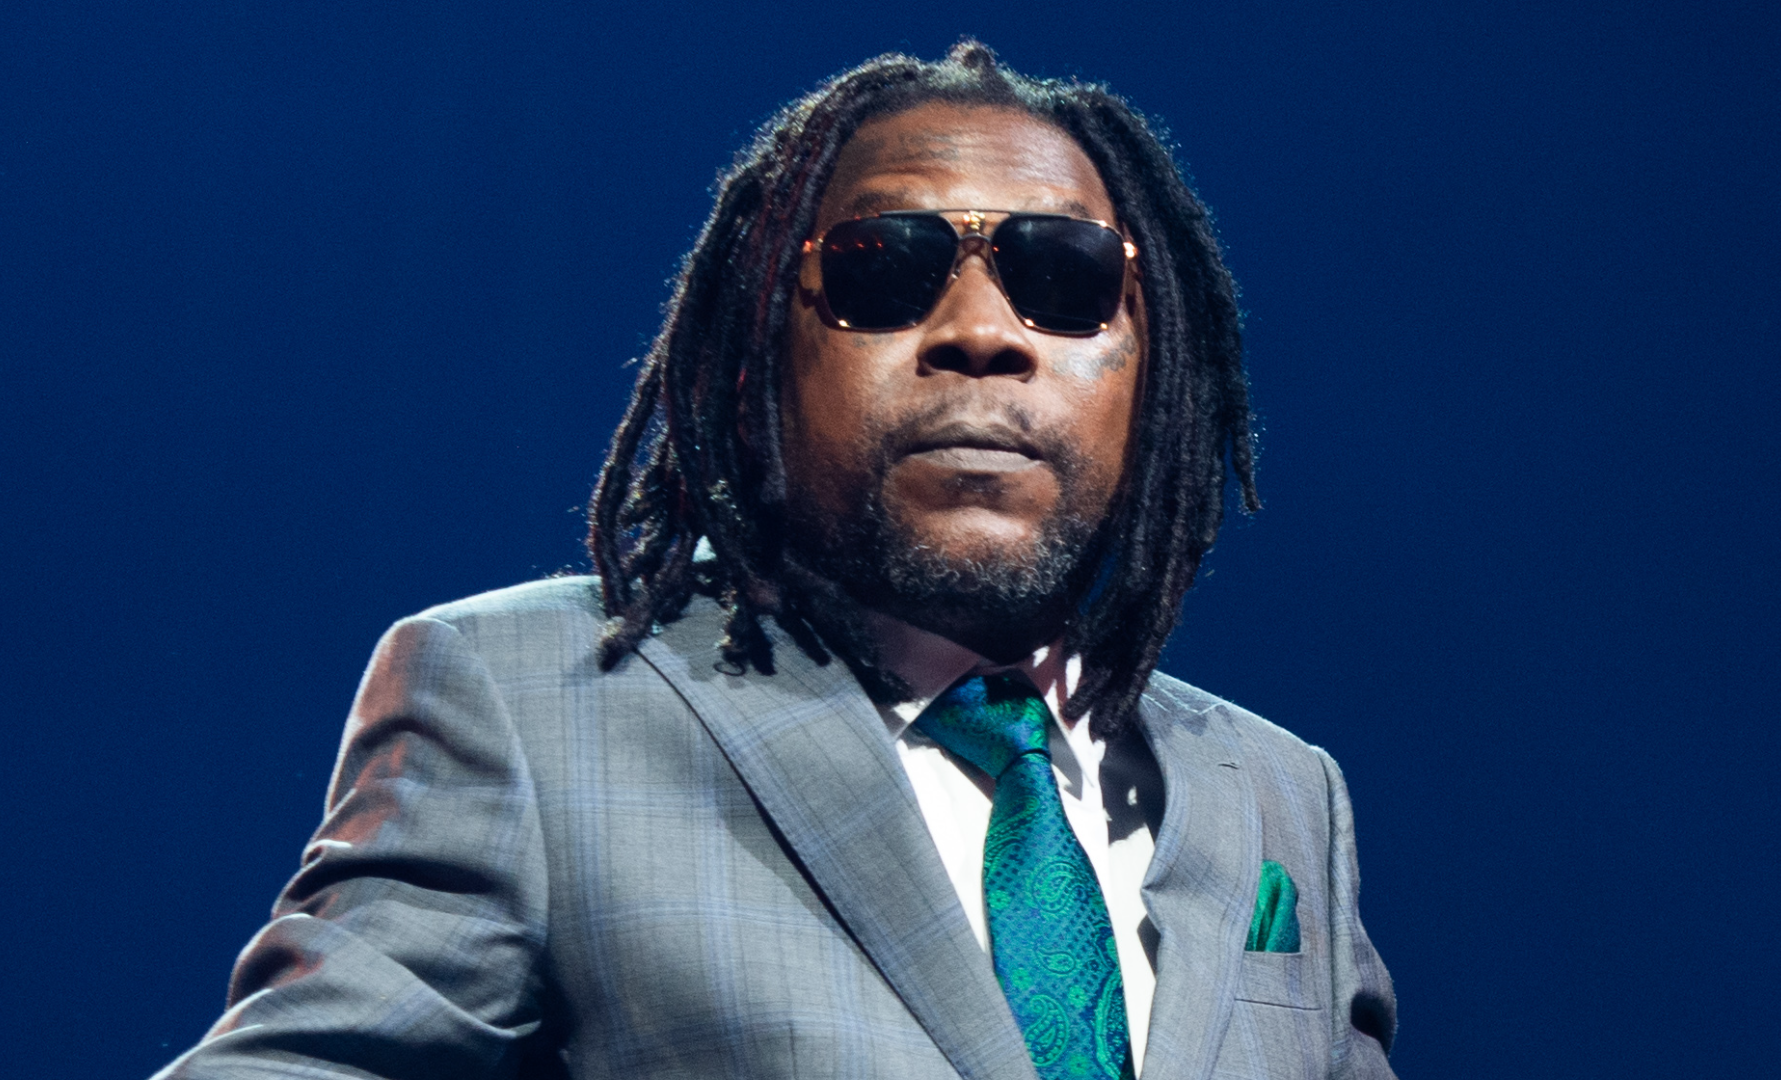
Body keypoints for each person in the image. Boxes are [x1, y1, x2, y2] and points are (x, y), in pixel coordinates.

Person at [155, 42, 1396, 1080]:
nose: (979, 331)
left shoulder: (1283, 795)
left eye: (1063, 279)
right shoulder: (530, 707)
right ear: (758, 353)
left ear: (1152, 369)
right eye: (886, 268)